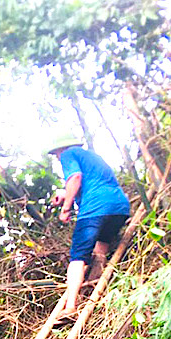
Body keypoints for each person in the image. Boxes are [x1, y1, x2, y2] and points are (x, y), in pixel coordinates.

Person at [47, 134, 131, 322]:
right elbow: (91, 181)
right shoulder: (91, 157)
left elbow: (75, 177)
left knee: (77, 257)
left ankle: (70, 307)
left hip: (95, 208)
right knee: (101, 247)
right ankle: (94, 289)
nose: (57, 158)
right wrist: (64, 194)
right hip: (119, 207)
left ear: (61, 150)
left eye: (56, 155)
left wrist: (66, 208)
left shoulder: (68, 155)